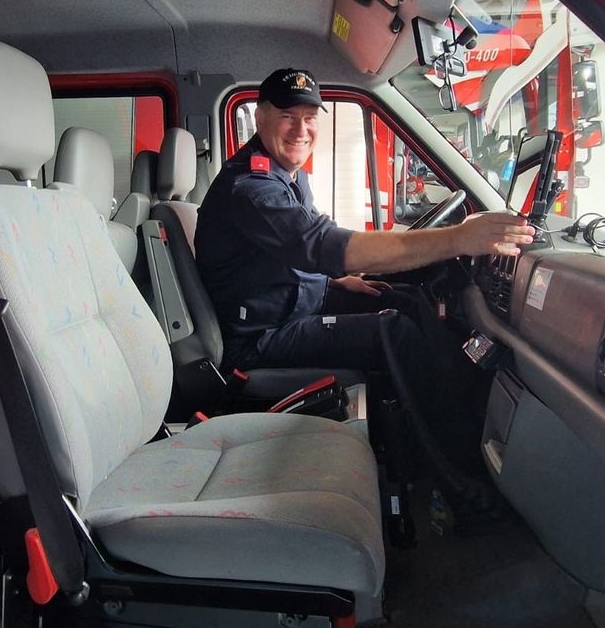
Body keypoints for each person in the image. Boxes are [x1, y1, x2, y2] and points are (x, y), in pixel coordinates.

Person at [195, 68, 534, 517]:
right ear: (259, 117)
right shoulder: (251, 187)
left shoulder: (285, 175)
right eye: (286, 115)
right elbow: (324, 245)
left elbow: (291, 257)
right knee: (394, 332)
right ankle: (457, 481)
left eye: (310, 116)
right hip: (261, 339)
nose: (301, 129)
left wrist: (336, 283)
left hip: (291, 307)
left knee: (403, 300)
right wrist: (458, 239)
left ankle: (456, 428)